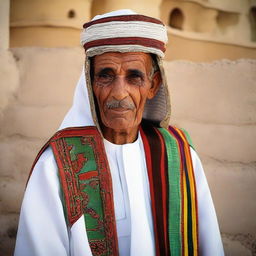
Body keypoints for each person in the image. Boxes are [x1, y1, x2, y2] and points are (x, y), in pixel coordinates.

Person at [14, 9, 224, 256]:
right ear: (90, 82)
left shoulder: (179, 155)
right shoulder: (57, 165)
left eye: (134, 77)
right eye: (106, 76)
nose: (119, 93)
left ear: (153, 85)